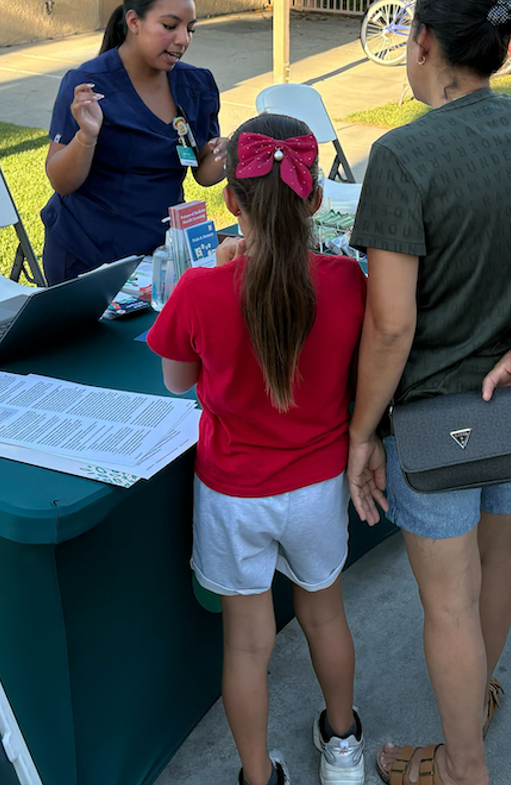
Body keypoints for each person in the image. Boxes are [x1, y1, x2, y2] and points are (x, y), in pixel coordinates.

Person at [148, 114, 368, 785]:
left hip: (234, 494)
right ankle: (343, 746)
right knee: (324, 615)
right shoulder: (349, 283)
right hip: (318, 487)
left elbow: (178, 380)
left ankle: (255, 775)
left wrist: (219, 277)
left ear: (231, 200)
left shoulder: (200, 289)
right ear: (316, 201)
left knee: (246, 645)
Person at [347, 0, 511, 785]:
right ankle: (475, 699)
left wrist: (360, 432)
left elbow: (390, 324)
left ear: (420, 43)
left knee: (449, 605)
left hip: (438, 426)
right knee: (499, 570)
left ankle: (462, 768)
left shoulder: (404, 156)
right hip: (509, 412)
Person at [42, 0, 227, 283]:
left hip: (164, 254)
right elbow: (62, 181)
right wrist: (87, 137)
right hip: (90, 257)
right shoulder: (88, 85)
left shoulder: (197, 84)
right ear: (133, 21)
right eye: (169, 26)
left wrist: (224, 153)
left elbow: (204, 174)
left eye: (190, 29)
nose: (183, 39)